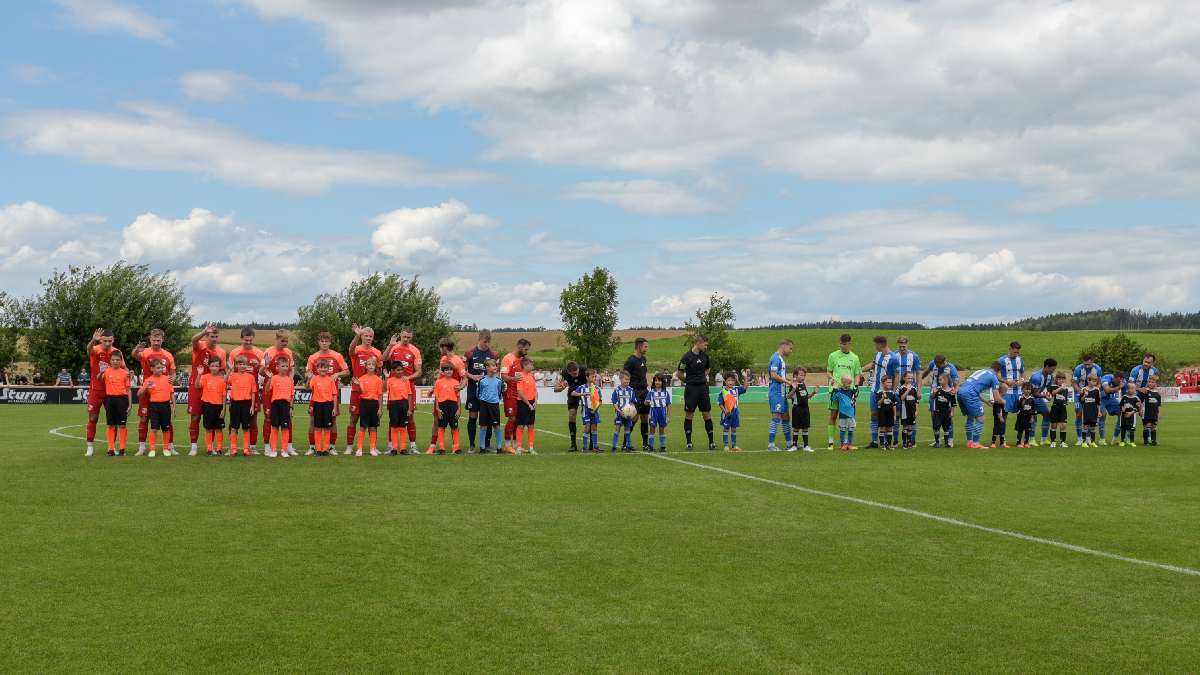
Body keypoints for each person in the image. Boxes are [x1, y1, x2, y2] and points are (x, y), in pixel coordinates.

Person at [132, 328, 177, 456]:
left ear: (162, 340)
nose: (156, 342)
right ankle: (142, 447)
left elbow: (173, 374)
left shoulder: (168, 355)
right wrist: (136, 348)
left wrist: (172, 380)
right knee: (144, 418)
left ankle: (170, 446)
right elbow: (134, 355)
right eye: (154, 340)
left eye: (158, 340)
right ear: (150, 339)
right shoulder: (145, 352)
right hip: (147, 390)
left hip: (162, 391)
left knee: (167, 421)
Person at [305, 332, 349, 455]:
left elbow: (346, 371)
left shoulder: (337, 356)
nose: (324, 343)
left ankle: (331, 446)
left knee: (333, 421)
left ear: (330, 342)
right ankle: (313, 446)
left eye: (326, 341)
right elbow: (307, 373)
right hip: (316, 396)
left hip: (331, 396)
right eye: (322, 341)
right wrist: (310, 376)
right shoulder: (312, 357)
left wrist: (337, 374)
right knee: (313, 420)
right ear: (318, 342)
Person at [187, 323, 227, 457]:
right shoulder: (200, 345)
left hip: (213, 387)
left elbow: (222, 372)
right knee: (195, 416)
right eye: (211, 336)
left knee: (214, 419)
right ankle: (193, 446)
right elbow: (193, 340)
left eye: (216, 336)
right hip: (196, 384)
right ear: (207, 336)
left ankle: (214, 447)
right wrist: (204, 331)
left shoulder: (221, 352)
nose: (214, 339)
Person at [344, 324, 384, 455]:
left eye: (370, 336)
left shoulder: (377, 353)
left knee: (373, 420)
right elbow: (350, 350)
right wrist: (357, 334)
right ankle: (350, 446)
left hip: (371, 394)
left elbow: (379, 372)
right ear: (361, 336)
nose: (368, 338)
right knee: (354, 418)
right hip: (357, 390)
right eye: (365, 335)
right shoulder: (357, 349)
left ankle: (373, 447)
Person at [384, 328, 423, 453]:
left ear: (411, 337)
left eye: (409, 337)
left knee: (410, 416)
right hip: (394, 388)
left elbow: (419, 371)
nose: (406, 339)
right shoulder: (394, 347)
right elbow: (382, 359)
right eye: (404, 336)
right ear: (400, 335)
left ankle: (412, 445)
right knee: (393, 418)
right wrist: (390, 345)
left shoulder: (415, 350)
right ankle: (391, 446)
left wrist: (408, 378)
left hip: (408, 387)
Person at [84, 328, 121, 457]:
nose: (107, 343)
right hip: (96, 390)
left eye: (109, 341)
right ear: (101, 340)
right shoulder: (96, 349)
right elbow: (88, 350)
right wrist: (93, 340)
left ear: (113, 340)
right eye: (104, 341)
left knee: (113, 420)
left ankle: (112, 446)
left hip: (111, 391)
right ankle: (89, 445)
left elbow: (123, 368)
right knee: (93, 417)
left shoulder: (116, 352)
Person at [227, 328, 264, 454]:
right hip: (237, 393)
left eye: (250, 340)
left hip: (251, 392)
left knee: (252, 420)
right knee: (233, 423)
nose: (248, 342)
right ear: (241, 338)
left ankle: (251, 447)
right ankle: (232, 447)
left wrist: (258, 366)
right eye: (246, 340)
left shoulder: (259, 353)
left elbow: (262, 372)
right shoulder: (234, 352)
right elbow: (230, 371)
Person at [428, 337, 467, 453]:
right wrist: (433, 388)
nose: (440, 350)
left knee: (454, 420)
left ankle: (455, 446)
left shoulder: (458, 361)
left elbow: (464, 378)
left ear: (444, 347)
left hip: (453, 396)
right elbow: (441, 377)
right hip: (441, 394)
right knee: (436, 420)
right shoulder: (443, 359)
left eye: (440, 347)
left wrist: (460, 386)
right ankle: (433, 445)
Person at [676, 335, 715, 450]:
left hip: (703, 388)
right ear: (699, 343)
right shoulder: (686, 357)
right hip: (691, 389)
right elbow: (679, 373)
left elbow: (708, 368)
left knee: (706, 414)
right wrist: (688, 381)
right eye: (705, 344)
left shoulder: (705, 356)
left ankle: (711, 442)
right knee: (689, 414)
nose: (706, 347)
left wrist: (702, 377)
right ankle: (689, 442)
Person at [462, 329, 498, 453]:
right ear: (479, 339)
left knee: (487, 418)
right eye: (484, 341)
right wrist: (472, 377)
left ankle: (486, 445)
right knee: (473, 416)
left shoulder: (493, 355)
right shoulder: (470, 353)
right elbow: (462, 371)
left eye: (488, 342)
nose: (486, 344)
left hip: (488, 392)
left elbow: (496, 372)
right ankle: (472, 445)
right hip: (473, 390)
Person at [956, 362, 1006, 449]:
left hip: (961, 391)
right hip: (970, 394)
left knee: (970, 417)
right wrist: (1004, 402)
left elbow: (974, 388)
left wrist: (986, 401)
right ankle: (976, 443)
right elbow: (997, 398)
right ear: (998, 371)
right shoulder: (993, 377)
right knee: (981, 419)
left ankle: (970, 442)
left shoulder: (981, 371)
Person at [860, 336, 897, 448]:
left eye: (876, 344)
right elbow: (872, 365)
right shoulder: (877, 354)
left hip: (886, 392)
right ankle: (874, 441)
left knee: (886, 417)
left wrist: (893, 392)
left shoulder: (894, 358)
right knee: (874, 415)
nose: (875, 347)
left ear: (881, 344)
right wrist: (859, 370)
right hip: (874, 390)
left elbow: (897, 375)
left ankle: (887, 441)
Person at [261, 330, 295, 453]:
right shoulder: (268, 352)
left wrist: (290, 380)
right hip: (270, 388)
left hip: (284, 389)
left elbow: (291, 369)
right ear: (276, 339)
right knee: (269, 418)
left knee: (288, 417)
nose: (285, 343)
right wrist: (266, 365)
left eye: (286, 341)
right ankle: (267, 446)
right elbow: (260, 372)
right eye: (282, 341)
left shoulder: (289, 352)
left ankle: (289, 446)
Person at [96, 351, 132, 456]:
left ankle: (122, 449)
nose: (115, 362)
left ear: (121, 361)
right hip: (110, 400)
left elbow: (128, 389)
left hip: (122, 400)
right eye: (113, 360)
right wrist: (102, 372)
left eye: (117, 360)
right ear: (110, 361)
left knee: (122, 425)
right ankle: (110, 448)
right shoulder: (107, 371)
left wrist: (130, 405)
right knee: (111, 425)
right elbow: (98, 378)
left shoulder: (125, 373)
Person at [499, 338, 532, 452]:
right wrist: (513, 378)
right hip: (510, 392)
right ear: (519, 346)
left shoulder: (524, 359)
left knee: (518, 419)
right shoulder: (508, 358)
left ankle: (515, 445)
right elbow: (503, 376)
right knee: (512, 418)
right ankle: (507, 445)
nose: (527, 351)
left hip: (520, 393)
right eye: (526, 349)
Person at [922, 355, 958, 447]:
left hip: (947, 394)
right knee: (934, 415)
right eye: (936, 364)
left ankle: (950, 439)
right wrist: (918, 381)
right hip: (934, 393)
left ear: (944, 362)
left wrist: (954, 391)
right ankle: (937, 440)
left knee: (948, 417)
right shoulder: (932, 364)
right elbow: (925, 372)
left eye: (939, 364)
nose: (937, 366)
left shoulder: (951, 368)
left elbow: (956, 383)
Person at [766, 339, 795, 452]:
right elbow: (773, 375)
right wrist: (788, 382)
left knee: (786, 417)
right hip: (776, 392)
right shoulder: (775, 358)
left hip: (782, 393)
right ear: (784, 346)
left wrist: (790, 380)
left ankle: (789, 444)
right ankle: (771, 444)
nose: (791, 351)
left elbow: (779, 375)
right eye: (790, 348)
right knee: (776, 416)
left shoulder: (781, 359)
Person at [623, 337, 651, 451]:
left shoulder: (644, 359)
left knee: (645, 417)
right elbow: (625, 376)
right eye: (645, 346)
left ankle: (645, 444)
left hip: (644, 391)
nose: (647, 348)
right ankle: (625, 444)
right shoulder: (630, 361)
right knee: (634, 418)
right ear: (639, 346)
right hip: (634, 392)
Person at [142, 359, 174, 457]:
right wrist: (146, 387)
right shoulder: (148, 380)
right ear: (152, 369)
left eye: (162, 367)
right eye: (158, 368)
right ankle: (152, 449)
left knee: (166, 428)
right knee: (154, 429)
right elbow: (139, 393)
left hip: (165, 406)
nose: (161, 369)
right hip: (154, 406)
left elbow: (172, 393)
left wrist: (174, 407)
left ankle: (166, 448)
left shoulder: (167, 379)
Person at [892, 337, 921, 445]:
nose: (902, 348)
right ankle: (895, 440)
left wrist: (919, 390)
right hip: (898, 389)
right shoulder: (894, 356)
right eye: (900, 346)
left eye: (904, 346)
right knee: (896, 415)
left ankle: (912, 441)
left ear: (907, 344)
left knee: (911, 415)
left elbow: (918, 373)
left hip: (911, 390)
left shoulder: (914, 356)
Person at [554, 361, 589, 451]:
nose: (576, 375)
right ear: (568, 372)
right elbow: (556, 389)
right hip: (573, 391)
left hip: (585, 391)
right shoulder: (564, 373)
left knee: (590, 414)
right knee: (572, 414)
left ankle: (593, 443)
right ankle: (573, 444)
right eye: (573, 374)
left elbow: (592, 382)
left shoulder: (584, 370)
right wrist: (561, 387)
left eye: (577, 372)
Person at [227, 355, 257, 457]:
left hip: (246, 404)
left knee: (246, 428)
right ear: (236, 365)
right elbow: (224, 381)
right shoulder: (233, 375)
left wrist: (252, 406)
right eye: (240, 364)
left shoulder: (251, 377)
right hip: (235, 404)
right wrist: (230, 370)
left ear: (247, 365)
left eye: (244, 364)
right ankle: (233, 449)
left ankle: (246, 449)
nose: (242, 366)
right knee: (234, 427)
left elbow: (253, 393)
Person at [197, 356, 228, 456]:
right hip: (208, 406)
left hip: (219, 407)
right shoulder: (205, 377)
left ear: (219, 367)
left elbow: (224, 396)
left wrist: (223, 409)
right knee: (208, 428)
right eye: (212, 366)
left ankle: (219, 448)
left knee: (219, 428)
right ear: (209, 367)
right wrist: (199, 374)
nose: (214, 368)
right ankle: (209, 448)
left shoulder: (222, 379)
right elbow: (197, 386)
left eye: (216, 366)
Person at [265, 358, 295, 459]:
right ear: (277, 367)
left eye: (286, 366)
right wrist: (269, 378)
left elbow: (292, 395)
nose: (285, 368)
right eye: (283, 366)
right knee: (274, 427)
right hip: (275, 405)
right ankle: (273, 450)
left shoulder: (290, 380)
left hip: (286, 405)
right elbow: (267, 390)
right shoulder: (274, 378)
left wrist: (291, 407)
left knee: (285, 428)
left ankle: (284, 450)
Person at [309, 360, 338, 456]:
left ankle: (325, 449)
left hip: (328, 405)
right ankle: (318, 449)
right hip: (317, 405)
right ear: (317, 369)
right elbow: (307, 388)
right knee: (317, 428)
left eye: (325, 367)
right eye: (321, 367)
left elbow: (334, 395)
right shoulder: (314, 379)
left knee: (327, 428)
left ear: (328, 369)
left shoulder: (330, 380)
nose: (323, 369)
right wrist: (309, 378)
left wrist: (334, 408)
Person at [1072, 355, 1103, 446]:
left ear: (1092, 362)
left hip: (1092, 392)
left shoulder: (1098, 369)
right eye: (1085, 364)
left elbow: (1099, 382)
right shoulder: (1078, 369)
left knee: (1092, 414)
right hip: (1080, 392)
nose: (1087, 366)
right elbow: (1074, 382)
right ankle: (1080, 438)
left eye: (1089, 364)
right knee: (1079, 413)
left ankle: (1088, 437)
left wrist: (1096, 389)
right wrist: (1080, 390)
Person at [355, 357, 383, 456]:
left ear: (375, 367)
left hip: (374, 404)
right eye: (369, 364)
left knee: (373, 427)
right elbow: (362, 392)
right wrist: (358, 384)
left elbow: (380, 395)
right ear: (366, 366)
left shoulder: (378, 380)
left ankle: (372, 448)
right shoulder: (362, 378)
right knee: (363, 426)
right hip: (364, 403)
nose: (371, 366)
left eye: (373, 364)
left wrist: (380, 408)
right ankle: (359, 449)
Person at [431, 362, 461, 454]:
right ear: (443, 372)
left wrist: (459, 409)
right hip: (442, 406)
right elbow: (436, 397)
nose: (449, 371)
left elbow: (458, 397)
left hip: (453, 406)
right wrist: (437, 409)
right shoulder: (438, 382)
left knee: (454, 427)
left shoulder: (456, 382)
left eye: (450, 369)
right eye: (446, 370)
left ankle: (456, 448)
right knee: (441, 427)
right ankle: (442, 447)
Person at [1027, 358, 1058, 446]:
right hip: (1030, 399)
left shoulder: (1049, 376)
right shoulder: (1036, 377)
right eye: (1052, 369)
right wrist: (1045, 396)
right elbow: (1034, 393)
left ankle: (1043, 439)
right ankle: (1031, 439)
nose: (1053, 371)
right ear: (1047, 367)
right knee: (1033, 417)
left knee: (1047, 414)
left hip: (1038, 398)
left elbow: (1048, 389)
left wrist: (1050, 395)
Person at [571, 369, 603, 453]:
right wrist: (582, 394)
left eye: (595, 376)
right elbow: (572, 393)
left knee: (594, 428)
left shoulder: (596, 388)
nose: (594, 378)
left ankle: (595, 447)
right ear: (587, 377)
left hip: (595, 411)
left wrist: (595, 409)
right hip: (586, 411)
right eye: (593, 376)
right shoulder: (582, 388)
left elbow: (600, 401)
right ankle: (584, 447)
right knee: (587, 428)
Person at [386, 364, 414, 455]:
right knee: (394, 426)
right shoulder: (390, 380)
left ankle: (403, 448)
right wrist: (386, 378)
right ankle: (394, 448)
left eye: (401, 370)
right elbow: (383, 389)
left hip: (404, 404)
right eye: (398, 370)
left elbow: (409, 395)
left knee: (403, 426)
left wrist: (409, 408)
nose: (400, 372)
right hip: (393, 404)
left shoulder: (406, 380)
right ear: (393, 371)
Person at [476, 360, 503, 453]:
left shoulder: (499, 381)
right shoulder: (482, 380)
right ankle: (482, 447)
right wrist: (484, 400)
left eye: (495, 365)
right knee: (483, 426)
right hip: (484, 405)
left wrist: (495, 400)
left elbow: (499, 393)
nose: (495, 367)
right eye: (492, 366)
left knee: (497, 426)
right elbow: (478, 393)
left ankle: (499, 447)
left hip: (494, 405)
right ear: (487, 367)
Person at [718, 371, 748, 452]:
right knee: (726, 428)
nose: (730, 382)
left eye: (732, 380)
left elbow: (745, 387)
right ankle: (726, 445)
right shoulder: (723, 391)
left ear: (735, 381)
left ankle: (734, 445)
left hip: (735, 412)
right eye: (728, 380)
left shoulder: (737, 390)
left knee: (734, 429)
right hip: (727, 413)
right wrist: (725, 411)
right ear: (725, 381)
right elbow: (720, 403)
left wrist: (745, 377)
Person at [515, 357, 539, 455]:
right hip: (523, 403)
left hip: (532, 403)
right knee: (521, 425)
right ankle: (519, 447)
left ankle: (531, 447)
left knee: (531, 425)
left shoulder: (531, 376)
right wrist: (528, 404)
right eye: (531, 364)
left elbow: (535, 390)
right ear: (525, 365)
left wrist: (535, 401)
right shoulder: (520, 376)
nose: (532, 366)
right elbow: (520, 393)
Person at [610, 370, 637, 453]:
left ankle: (628, 446)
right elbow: (614, 403)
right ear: (620, 379)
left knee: (627, 429)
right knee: (617, 429)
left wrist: (633, 410)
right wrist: (619, 411)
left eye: (629, 379)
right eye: (626, 379)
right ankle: (614, 446)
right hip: (619, 413)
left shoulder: (631, 390)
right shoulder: (617, 390)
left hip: (628, 414)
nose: (627, 381)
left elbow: (633, 402)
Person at [788, 367, 814, 452]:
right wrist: (794, 389)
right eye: (801, 375)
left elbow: (806, 397)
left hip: (805, 409)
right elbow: (789, 396)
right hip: (797, 408)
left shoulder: (803, 385)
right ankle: (794, 445)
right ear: (795, 375)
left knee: (805, 427)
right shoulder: (793, 385)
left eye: (804, 375)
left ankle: (806, 446)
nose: (803, 377)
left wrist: (814, 393)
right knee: (796, 427)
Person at [1098, 371, 1125, 445]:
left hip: (1110, 398)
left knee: (1121, 413)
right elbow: (1107, 390)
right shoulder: (1106, 378)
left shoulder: (1122, 381)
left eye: (1121, 380)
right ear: (1114, 378)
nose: (1120, 382)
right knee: (1103, 414)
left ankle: (1114, 439)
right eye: (1118, 381)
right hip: (1100, 398)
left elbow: (1125, 392)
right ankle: (1102, 439)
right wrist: (1119, 387)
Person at [646, 373, 672, 452]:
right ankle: (650, 446)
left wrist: (668, 415)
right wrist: (647, 402)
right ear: (653, 382)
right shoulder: (651, 392)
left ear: (662, 382)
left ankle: (662, 446)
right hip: (653, 412)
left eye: (659, 381)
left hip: (662, 412)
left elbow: (668, 405)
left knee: (661, 429)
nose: (657, 382)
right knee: (652, 429)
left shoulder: (665, 392)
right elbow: (645, 402)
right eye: (656, 381)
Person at [930, 373, 957, 448]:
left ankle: (946, 443)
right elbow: (932, 397)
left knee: (946, 428)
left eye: (940, 380)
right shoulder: (938, 389)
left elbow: (953, 403)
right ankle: (937, 442)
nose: (939, 381)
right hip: (937, 412)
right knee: (936, 427)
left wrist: (952, 412)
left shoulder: (951, 391)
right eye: (938, 380)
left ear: (946, 380)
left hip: (946, 413)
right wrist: (934, 393)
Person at [832, 375, 858, 451]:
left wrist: (855, 390)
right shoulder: (839, 391)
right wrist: (834, 389)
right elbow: (834, 399)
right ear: (843, 382)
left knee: (851, 430)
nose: (849, 384)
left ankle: (849, 444)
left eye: (850, 383)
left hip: (851, 414)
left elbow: (855, 397)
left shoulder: (852, 391)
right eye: (848, 383)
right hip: (843, 414)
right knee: (842, 430)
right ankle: (843, 444)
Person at [897, 371, 920, 449]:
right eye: (908, 378)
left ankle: (909, 442)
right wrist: (907, 390)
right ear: (904, 378)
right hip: (904, 411)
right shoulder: (902, 388)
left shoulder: (914, 389)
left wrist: (916, 410)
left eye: (911, 378)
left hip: (912, 410)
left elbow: (916, 401)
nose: (910, 380)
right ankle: (904, 443)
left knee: (910, 427)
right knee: (905, 427)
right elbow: (902, 398)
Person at [1048, 373, 1071, 447]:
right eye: (1059, 379)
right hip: (1055, 408)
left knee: (1063, 425)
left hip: (1063, 408)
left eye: (1062, 379)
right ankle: (1053, 442)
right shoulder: (1053, 386)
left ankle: (1062, 442)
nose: (1061, 380)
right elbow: (1053, 393)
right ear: (1056, 379)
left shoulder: (1066, 389)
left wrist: (1065, 402)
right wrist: (1061, 388)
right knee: (1054, 425)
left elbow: (1065, 399)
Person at [874, 376, 897, 451]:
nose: (890, 384)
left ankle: (889, 444)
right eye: (888, 382)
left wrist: (894, 415)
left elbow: (894, 405)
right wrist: (883, 398)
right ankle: (882, 444)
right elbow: (878, 403)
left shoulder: (892, 393)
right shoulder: (879, 392)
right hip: (882, 413)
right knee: (883, 428)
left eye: (891, 382)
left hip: (890, 413)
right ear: (883, 383)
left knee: (890, 428)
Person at [1079, 374, 1101, 447]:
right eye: (1093, 381)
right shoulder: (1083, 389)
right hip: (1086, 411)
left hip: (1094, 411)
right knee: (1085, 426)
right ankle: (1084, 442)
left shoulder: (1097, 390)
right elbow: (1081, 400)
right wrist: (1085, 395)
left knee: (1093, 426)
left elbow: (1098, 402)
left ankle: (1092, 442)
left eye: (1095, 381)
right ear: (1088, 380)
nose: (1094, 383)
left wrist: (1099, 411)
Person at [1117, 383, 1142, 447]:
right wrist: (1122, 409)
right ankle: (1122, 441)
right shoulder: (1124, 397)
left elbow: (1137, 408)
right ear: (1127, 389)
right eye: (1129, 388)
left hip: (1132, 417)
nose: (1131, 390)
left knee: (1131, 429)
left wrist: (1131, 413)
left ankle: (1132, 442)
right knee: (1123, 429)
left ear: (1135, 389)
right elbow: (1120, 405)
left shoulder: (1136, 398)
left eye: (1133, 388)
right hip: (1123, 416)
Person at [1014, 382, 1036, 448]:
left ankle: (1026, 442)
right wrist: (1021, 405)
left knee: (1027, 430)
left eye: (1029, 389)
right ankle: (1018, 442)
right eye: (1026, 389)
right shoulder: (1020, 398)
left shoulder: (1032, 399)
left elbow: (1033, 409)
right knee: (1020, 430)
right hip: (1021, 416)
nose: (1028, 390)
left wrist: (1032, 417)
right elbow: (1017, 407)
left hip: (1028, 417)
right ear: (1022, 389)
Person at [1142, 376, 1162, 446]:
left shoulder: (1158, 394)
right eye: (1149, 382)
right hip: (1146, 412)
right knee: (1147, 426)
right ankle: (1146, 441)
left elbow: (1159, 405)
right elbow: (1142, 400)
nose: (1150, 383)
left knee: (1153, 427)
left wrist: (1159, 413)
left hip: (1154, 413)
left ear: (1156, 384)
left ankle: (1154, 440)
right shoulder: (1146, 391)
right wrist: (1140, 410)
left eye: (1152, 382)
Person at [989, 384, 1008, 448]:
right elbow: (998, 409)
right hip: (999, 418)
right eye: (1006, 391)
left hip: (1002, 417)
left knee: (1002, 430)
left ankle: (1002, 443)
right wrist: (1000, 417)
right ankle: (993, 443)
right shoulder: (998, 400)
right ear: (1002, 391)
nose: (1006, 392)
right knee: (996, 430)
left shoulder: (1000, 399)